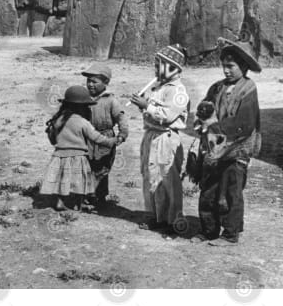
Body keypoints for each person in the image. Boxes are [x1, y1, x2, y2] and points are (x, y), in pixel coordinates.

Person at [192, 37, 262, 245]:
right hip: (213, 148)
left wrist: (216, 128)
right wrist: (202, 120)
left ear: (243, 67)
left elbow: (245, 124)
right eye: (224, 66)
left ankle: (230, 233)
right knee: (209, 189)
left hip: (236, 149)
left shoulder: (248, 89)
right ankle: (209, 229)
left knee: (231, 191)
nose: (226, 71)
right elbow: (204, 109)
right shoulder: (217, 88)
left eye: (231, 66)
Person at [130, 44, 190, 234]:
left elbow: (168, 116)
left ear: (173, 67)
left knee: (168, 179)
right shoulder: (158, 86)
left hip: (167, 138)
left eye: (159, 65)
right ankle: (155, 216)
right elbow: (152, 113)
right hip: (151, 136)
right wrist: (143, 105)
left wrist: (146, 105)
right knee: (150, 177)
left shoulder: (178, 91)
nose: (155, 70)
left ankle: (173, 219)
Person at [41, 85, 118, 212]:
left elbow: (52, 139)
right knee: (79, 181)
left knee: (62, 179)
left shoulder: (57, 120)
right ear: (81, 107)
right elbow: (97, 138)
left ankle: (60, 202)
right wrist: (112, 141)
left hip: (59, 156)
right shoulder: (83, 122)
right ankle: (78, 204)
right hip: (78, 156)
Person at [81, 63, 129, 207]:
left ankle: (100, 197)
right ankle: (86, 195)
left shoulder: (111, 101)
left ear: (106, 83)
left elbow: (121, 118)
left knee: (102, 169)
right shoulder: (83, 99)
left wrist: (122, 135)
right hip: (87, 138)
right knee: (86, 166)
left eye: (94, 81)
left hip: (105, 138)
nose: (90, 85)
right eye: (88, 81)